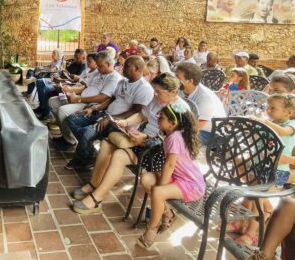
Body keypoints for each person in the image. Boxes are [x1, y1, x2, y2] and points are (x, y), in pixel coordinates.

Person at [70, 73, 187, 214]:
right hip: (143, 141)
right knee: (107, 144)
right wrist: (125, 123)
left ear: (173, 92)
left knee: (119, 155)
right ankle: (94, 184)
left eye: (159, 92)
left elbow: (174, 141)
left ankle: (97, 198)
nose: (155, 95)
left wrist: (146, 138)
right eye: (154, 91)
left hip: (159, 150)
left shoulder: (181, 109)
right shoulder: (158, 100)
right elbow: (141, 116)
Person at [226, 94, 295, 246]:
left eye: (273, 108)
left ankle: (251, 234)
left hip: (277, 173)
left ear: (288, 112)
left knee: (258, 197)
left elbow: (283, 132)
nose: (268, 111)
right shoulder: (270, 122)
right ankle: (241, 223)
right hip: (260, 167)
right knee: (249, 192)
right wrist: (248, 123)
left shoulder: (291, 124)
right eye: (267, 107)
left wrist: (263, 122)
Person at [65, 55, 154, 170]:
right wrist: (94, 108)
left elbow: (135, 112)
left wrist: (110, 118)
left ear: (137, 68)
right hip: (105, 114)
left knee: (87, 132)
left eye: (127, 66)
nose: (123, 68)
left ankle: (81, 160)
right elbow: (111, 99)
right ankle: (90, 154)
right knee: (72, 118)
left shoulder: (144, 88)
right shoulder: (123, 81)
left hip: (120, 123)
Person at [137, 105, 204, 248]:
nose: (158, 118)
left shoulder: (174, 137)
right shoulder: (174, 134)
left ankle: (152, 230)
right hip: (179, 177)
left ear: (173, 123)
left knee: (157, 191)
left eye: (162, 117)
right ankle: (168, 213)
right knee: (146, 179)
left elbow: (169, 165)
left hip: (191, 184)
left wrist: (161, 187)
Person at [50, 51, 122, 151]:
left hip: (90, 104)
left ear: (109, 64)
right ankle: (66, 132)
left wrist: (79, 99)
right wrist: (71, 91)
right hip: (81, 98)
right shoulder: (99, 72)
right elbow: (86, 87)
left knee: (62, 111)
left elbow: (103, 98)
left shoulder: (113, 78)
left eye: (100, 65)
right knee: (52, 102)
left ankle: (69, 140)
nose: (98, 67)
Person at [175, 63, 226, 145]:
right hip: (191, 126)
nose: (174, 79)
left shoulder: (205, 98)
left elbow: (197, 126)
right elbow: (176, 110)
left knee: (177, 140)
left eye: (178, 78)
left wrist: (174, 133)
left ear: (190, 81)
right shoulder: (181, 90)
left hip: (212, 134)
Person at [33, 49, 86, 121]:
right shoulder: (74, 63)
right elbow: (66, 73)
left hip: (68, 85)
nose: (75, 59)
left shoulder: (84, 67)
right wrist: (61, 76)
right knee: (39, 82)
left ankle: (46, 113)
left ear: (83, 58)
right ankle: (41, 107)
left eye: (77, 58)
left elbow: (76, 81)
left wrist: (63, 79)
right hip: (62, 81)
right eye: (75, 57)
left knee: (47, 88)